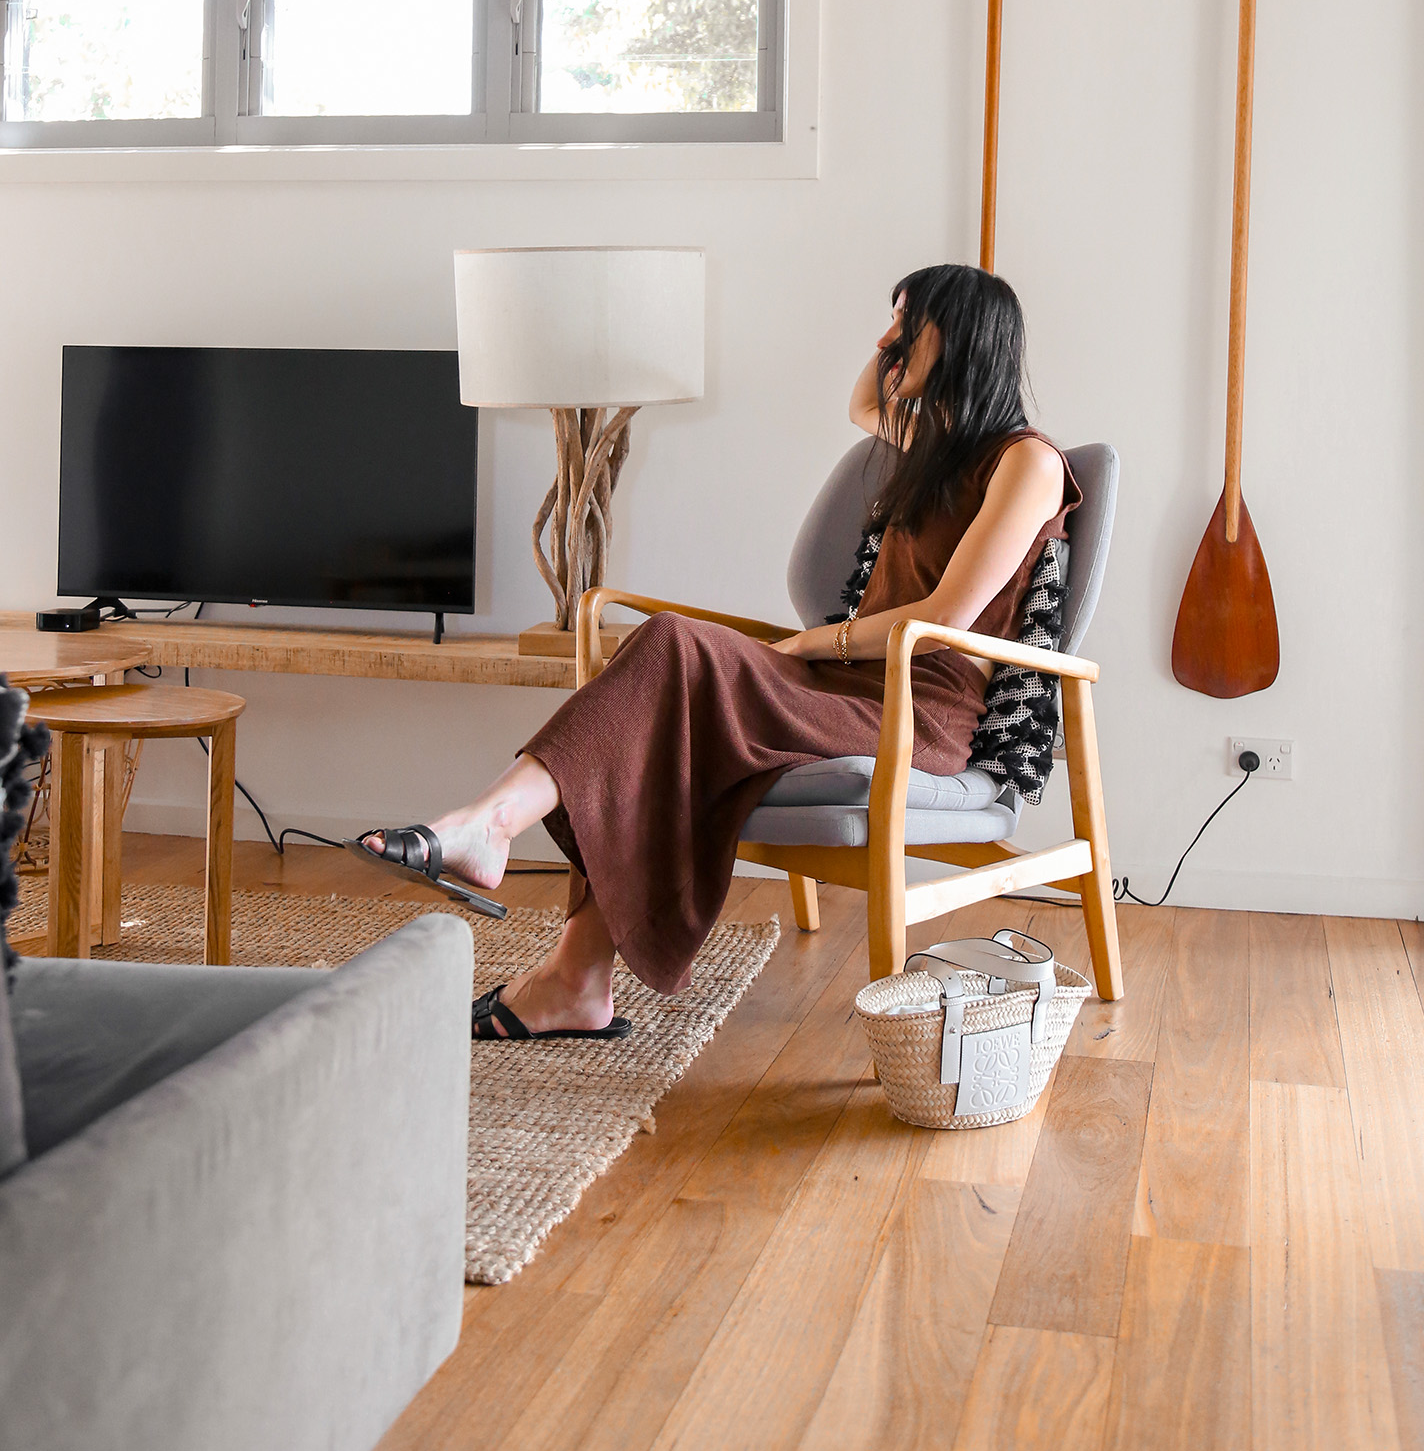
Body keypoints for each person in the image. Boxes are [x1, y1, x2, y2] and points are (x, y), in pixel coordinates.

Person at [356, 263, 1077, 1042]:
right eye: (889, 323)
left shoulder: (1025, 463)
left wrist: (816, 641)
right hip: (836, 686)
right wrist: (901, 337)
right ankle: (550, 933)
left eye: (908, 326)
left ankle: (532, 899)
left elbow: (945, 614)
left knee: (672, 652)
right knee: (663, 664)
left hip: (918, 706)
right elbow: (863, 402)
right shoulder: (933, 446)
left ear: (967, 335)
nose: (885, 340)